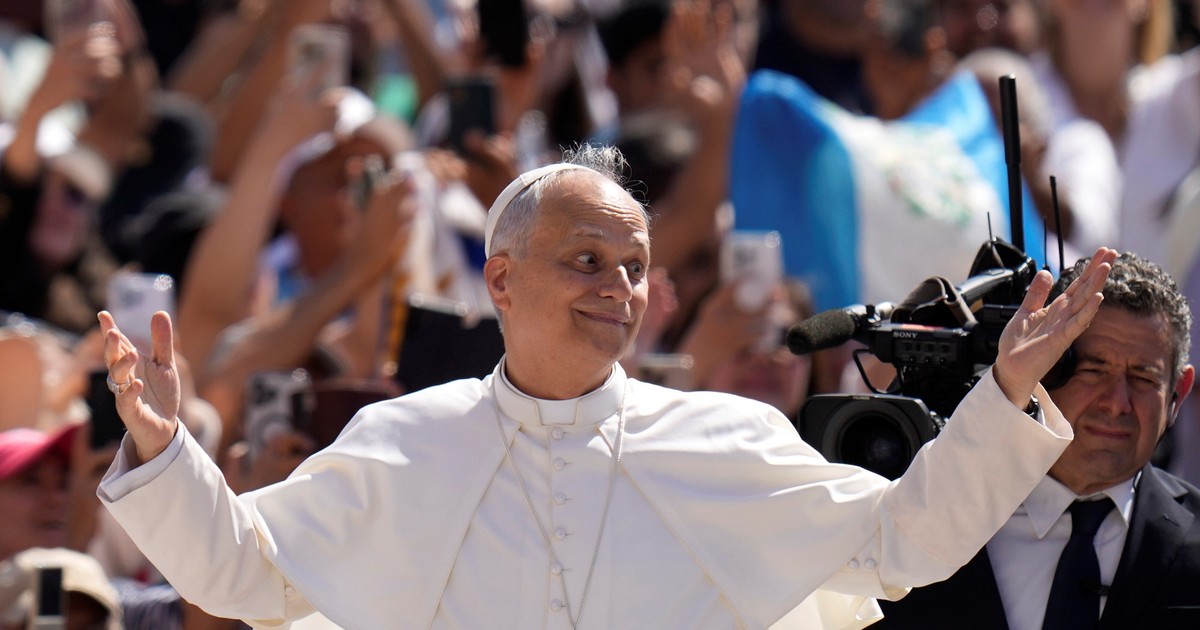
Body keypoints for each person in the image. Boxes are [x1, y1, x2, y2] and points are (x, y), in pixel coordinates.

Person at [95, 145, 1115, 629]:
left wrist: (1005, 391)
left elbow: (900, 544)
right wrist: (162, 449)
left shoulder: (725, 439)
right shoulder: (404, 442)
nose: (618, 289)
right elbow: (242, 574)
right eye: (587, 261)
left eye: (633, 267)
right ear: (501, 279)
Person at [876, 251, 1200, 629]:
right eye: (1093, 370)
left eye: (1143, 378)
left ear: (1178, 393)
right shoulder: (916, 517)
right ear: (1043, 367)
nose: (1116, 403)